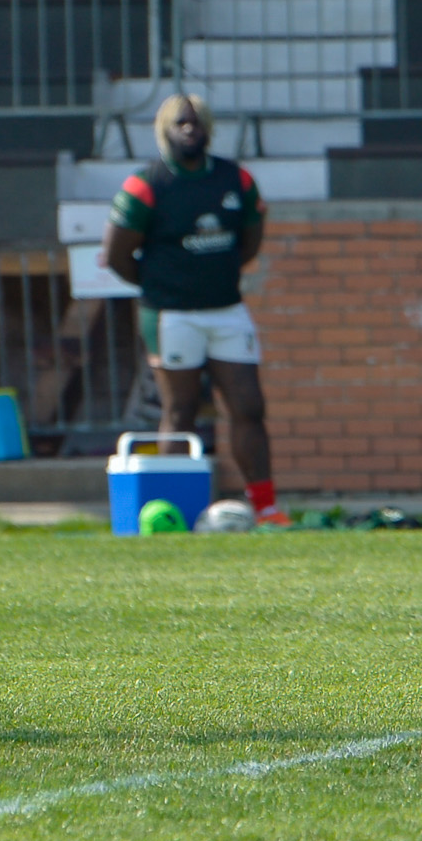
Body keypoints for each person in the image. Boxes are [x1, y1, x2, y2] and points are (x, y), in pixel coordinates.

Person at [101, 93, 290, 528]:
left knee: (249, 405)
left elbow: (251, 240)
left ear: (209, 128)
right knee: (180, 410)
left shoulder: (235, 180)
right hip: (172, 314)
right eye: (180, 124)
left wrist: (214, 275)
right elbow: (116, 255)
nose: (190, 130)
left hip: (226, 309)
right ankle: (168, 513)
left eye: (196, 123)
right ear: (164, 131)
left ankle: (266, 506)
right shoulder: (147, 183)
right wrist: (163, 285)